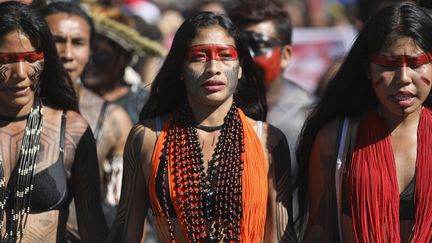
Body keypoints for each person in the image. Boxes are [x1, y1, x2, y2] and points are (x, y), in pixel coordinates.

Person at [108, 11, 295, 242]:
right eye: (199, 56)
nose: (213, 67)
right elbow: (126, 228)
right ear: (180, 69)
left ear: (240, 68)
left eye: (225, 55)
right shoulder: (147, 137)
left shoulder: (269, 141)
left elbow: (281, 234)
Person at [297, 2, 432, 242]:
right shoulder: (335, 140)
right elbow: (320, 229)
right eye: (388, 65)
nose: (403, 78)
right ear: (368, 69)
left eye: (416, 63)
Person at [0, 2, 108, 242]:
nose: (20, 72)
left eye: (31, 58)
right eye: (7, 58)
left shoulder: (72, 129)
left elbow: (93, 228)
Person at [40, 1, 133, 232]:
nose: (67, 54)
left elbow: (127, 212)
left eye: (78, 43)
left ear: (90, 49)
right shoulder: (14, 110)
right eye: (57, 41)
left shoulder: (113, 121)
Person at [229, 0, 315, 234]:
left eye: (258, 45)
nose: (245, 57)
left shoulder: (310, 118)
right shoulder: (207, 112)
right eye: (238, 47)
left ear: (286, 55)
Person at [82, 5, 166, 124]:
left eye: (100, 53)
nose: (88, 59)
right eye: (86, 50)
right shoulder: (71, 94)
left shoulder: (142, 105)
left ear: (124, 59)